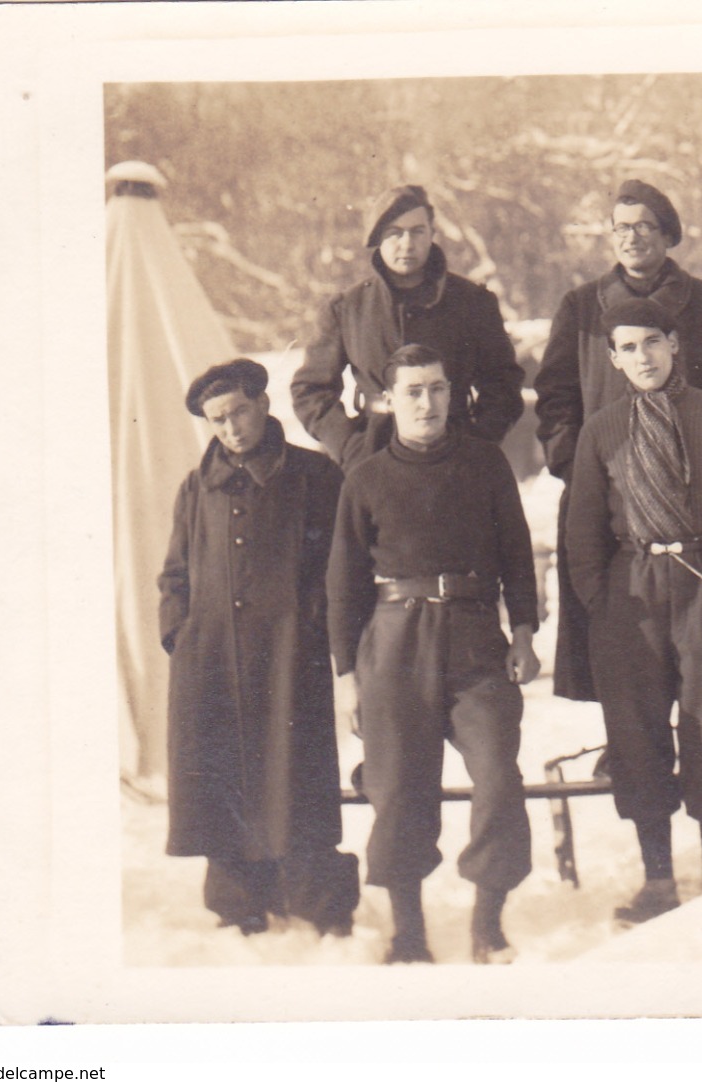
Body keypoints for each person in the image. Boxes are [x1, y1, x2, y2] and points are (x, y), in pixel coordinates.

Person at [326, 343, 541, 964]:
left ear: (454, 394)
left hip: (476, 641)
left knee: (499, 777)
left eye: (438, 389)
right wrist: (347, 677)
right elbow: (342, 585)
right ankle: (408, 932)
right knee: (397, 789)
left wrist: (523, 632)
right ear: (388, 400)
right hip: (394, 642)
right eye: (413, 391)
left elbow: (517, 556)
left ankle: (488, 925)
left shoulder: (485, 465)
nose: (427, 402)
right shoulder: (365, 477)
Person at [566, 298, 702, 923]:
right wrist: (601, 598)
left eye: (653, 341)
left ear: (674, 343)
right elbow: (582, 529)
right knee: (637, 733)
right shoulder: (601, 429)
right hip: (634, 593)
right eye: (628, 347)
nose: (643, 356)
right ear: (613, 358)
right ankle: (658, 878)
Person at [159, 358, 360, 937]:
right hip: (211, 662)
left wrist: (313, 627)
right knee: (222, 780)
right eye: (218, 421)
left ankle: (320, 904)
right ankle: (239, 906)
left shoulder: (315, 476)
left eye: (239, 412)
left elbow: (340, 565)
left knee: (296, 779)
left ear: (263, 404)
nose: (230, 429)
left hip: (289, 659)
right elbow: (175, 573)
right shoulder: (197, 487)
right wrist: (181, 632)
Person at [535, 179, 702, 702]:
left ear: (668, 235)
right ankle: (623, 741)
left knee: (699, 635)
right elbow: (554, 395)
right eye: (621, 228)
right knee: (616, 627)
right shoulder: (581, 306)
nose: (632, 238)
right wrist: (576, 467)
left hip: (691, 496)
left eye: (645, 226)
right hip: (608, 492)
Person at [291, 184, 524, 471]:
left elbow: (503, 383)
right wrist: (349, 446)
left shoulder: (472, 302)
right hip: (374, 457)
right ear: (378, 239)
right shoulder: (347, 309)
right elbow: (310, 389)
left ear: (431, 234)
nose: (407, 243)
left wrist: (480, 441)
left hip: (456, 457)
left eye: (417, 231)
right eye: (394, 233)